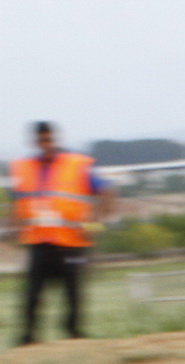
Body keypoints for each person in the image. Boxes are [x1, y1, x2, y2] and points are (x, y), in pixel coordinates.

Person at [9, 122, 111, 345]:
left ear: (55, 140)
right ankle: (28, 337)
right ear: (36, 142)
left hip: (71, 243)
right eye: (42, 140)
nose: (46, 144)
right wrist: (15, 229)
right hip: (39, 241)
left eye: (49, 139)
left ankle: (74, 335)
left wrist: (94, 227)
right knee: (32, 294)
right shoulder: (23, 167)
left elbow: (106, 192)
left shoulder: (78, 165)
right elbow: (16, 200)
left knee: (73, 293)